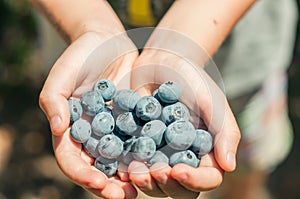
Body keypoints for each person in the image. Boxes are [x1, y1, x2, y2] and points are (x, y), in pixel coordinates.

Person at [29, 0, 297, 198]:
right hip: (84, 42)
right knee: (115, 180)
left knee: (247, 163)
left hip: (246, 63)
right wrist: (90, 26)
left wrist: (183, 41)